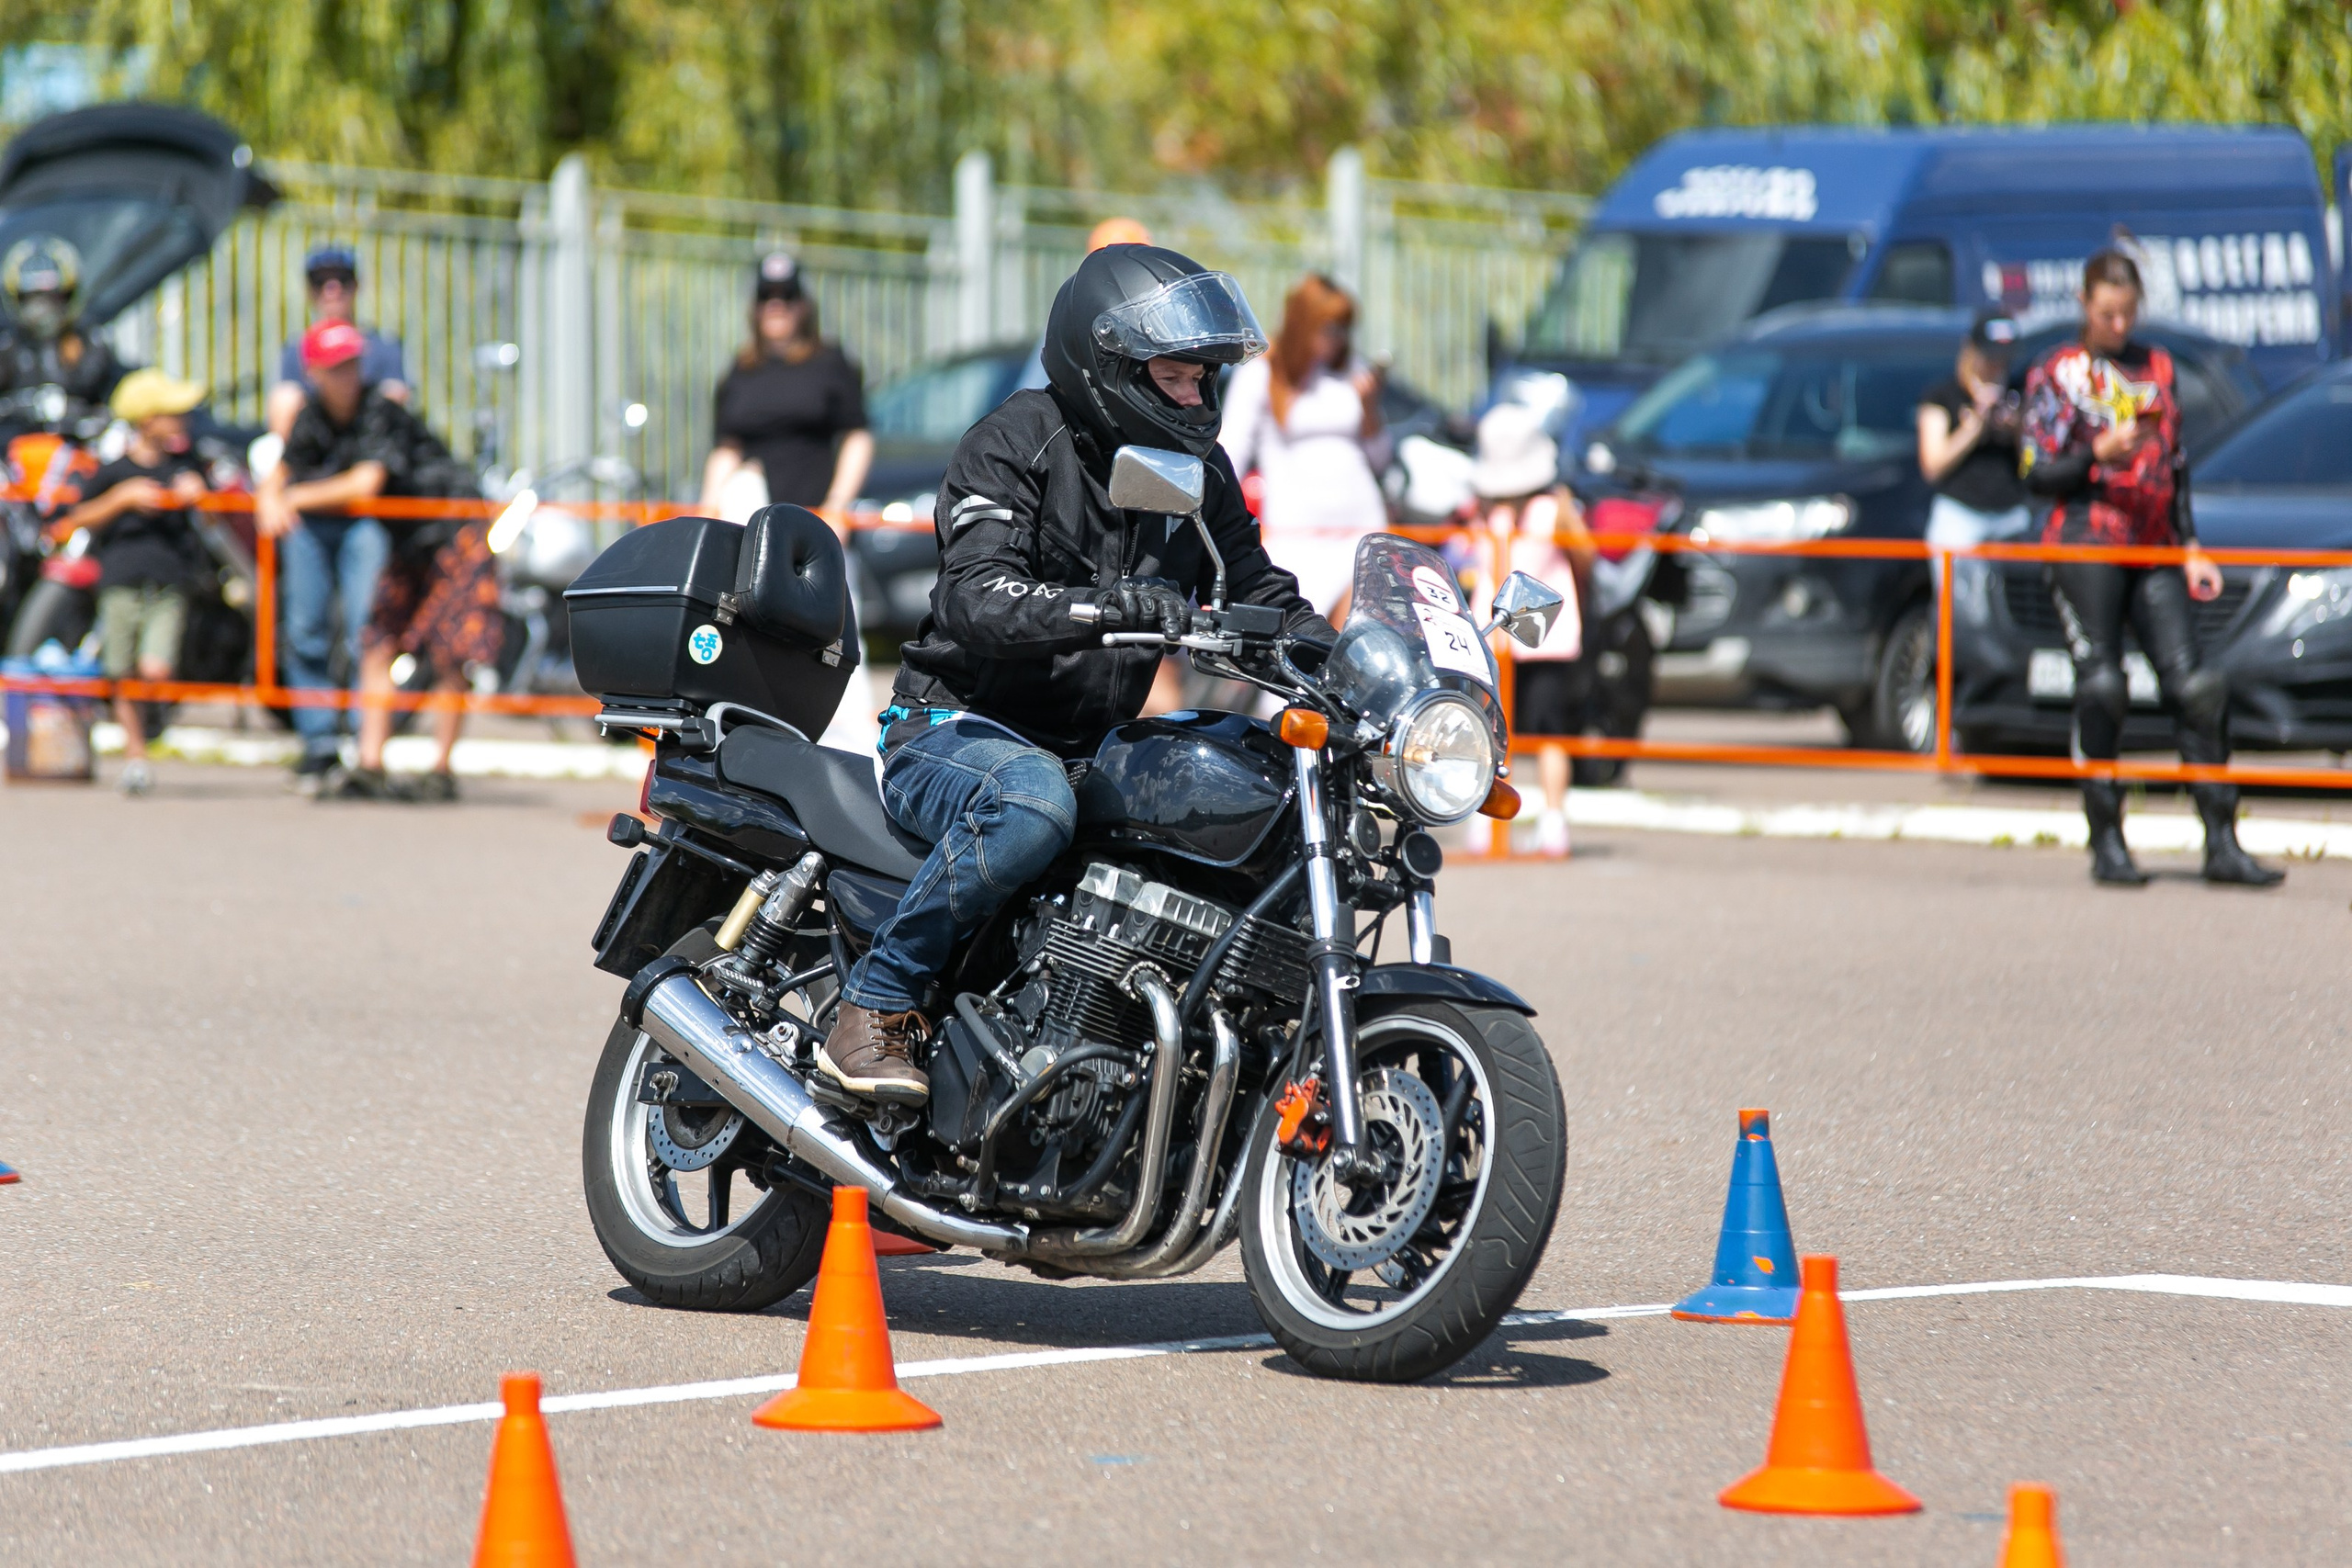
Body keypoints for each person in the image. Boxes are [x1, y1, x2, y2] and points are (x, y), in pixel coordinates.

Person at [815, 244, 1330, 1103]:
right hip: (953, 728)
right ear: (1112, 367)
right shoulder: (1016, 442)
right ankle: (876, 1000)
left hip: (1088, 745)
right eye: (1175, 377)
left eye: (1203, 378)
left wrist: (1348, 663)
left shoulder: (1198, 473)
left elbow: (1258, 589)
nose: (1196, 398)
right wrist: (1099, 606)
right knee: (1032, 801)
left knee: (1243, 799)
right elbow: (974, 594)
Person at [2020, 249, 2280, 888]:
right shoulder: (2057, 372)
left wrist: (2190, 544)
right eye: (2107, 313)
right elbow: (2035, 473)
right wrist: (2096, 452)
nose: (2119, 325)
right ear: (2084, 304)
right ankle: (2107, 839)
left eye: (2128, 313)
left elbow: (2177, 463)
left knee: (2197, 686)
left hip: (2155, 541)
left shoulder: (2158, 366)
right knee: (2104, 686)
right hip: (2085, 541)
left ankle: (2221, 840)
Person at [258, 319, 492, 800]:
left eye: (352, 364)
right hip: (406, 540)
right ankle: (369, 765)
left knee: (450, 650)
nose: (347, 375)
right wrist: (268, 493)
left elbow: (365, 484)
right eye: (336, 367)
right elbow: (284, 467)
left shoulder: (380, 410)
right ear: (313, 373)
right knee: (377, 642)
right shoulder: (311, 416)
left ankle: (441, 770)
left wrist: (290, 497)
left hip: (454, 528)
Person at [55, 371, 212, 796]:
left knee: (155, 668)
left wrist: (200, 495)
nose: (182, 420)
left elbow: (215, 519)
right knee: (121, 670)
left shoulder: (186, 466)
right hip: (121, 578)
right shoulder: (114, 471)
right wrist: (121, 498)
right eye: (171, 413)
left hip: (169, 580)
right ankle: (136, 754)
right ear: (147, 420)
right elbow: (76, 517)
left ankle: (152, 717)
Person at [1217, 274, 1389, 619]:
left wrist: (1370, 409)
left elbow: (1382, 460)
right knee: (1299, 637)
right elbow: (1231, 454)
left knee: (1355, 635)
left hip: (1360, 531)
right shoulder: (1262, 374)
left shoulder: (1353, 372)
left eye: (1343, 329)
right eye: (1328, 328)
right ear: (1302, 324)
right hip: (1295, 537)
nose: (1337, 339)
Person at [1465, 403, 1590, 859]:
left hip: (1498, 637)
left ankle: (1492, 820)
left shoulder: (1484, 512)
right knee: (1547, 734)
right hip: (1544, 637)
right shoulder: (1554, 509)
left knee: (1492, 731)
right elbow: (1586, 558)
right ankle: (1552, 821)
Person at [699, 253, 872, 521]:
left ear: (803, 305)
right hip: (749, 516)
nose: (776, 306)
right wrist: (707, 508)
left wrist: (837, 507)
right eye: (766, 296)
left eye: (787, 296)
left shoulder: (828, 362)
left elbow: (857, 438)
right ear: (755, 307)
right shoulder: (741, 369)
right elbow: (727, 448)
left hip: (811, 517)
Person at [1918, 309, 2029, 569]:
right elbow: (1932, 466)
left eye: (2004, 357)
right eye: (1991, 356)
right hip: (1961, 514)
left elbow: (2039, 462)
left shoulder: (2020, 392)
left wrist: (2016, 429)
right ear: (1971, 350)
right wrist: (1975, 425)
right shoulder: (1943, 396)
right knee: (1959, 593)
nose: (1997, 365)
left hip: (2013, 514)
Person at [266, 245, 409, 440]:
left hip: (369, 439)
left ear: (356, 285)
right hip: (316, 440)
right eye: (320, 282)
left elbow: (396, 404)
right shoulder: (296, 348)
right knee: (284, 401)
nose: (332, 289)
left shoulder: (385, 345)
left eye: (343, 279)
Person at [0, 235, 125, 416]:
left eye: (54, 298)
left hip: (78, 433)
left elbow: (116, 387)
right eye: (32, 300)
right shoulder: (6, 344)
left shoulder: (90, 340)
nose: (43, 312)